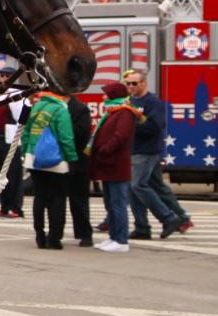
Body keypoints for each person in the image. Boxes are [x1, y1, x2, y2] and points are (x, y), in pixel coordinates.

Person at [123, 69, 186, 239]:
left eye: (134, 83)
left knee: (138, 185)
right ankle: (142, 227)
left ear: (144, 83)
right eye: (127, 83)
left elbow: (154, 126)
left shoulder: (152, 102)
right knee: (134, 189)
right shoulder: (130, 101)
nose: (130, 86)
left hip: (147, 150)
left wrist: (130, 126)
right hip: (133, 149)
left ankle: (169, 217)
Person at [88, 80, 139, 253]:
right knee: (110, 204)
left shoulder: (125, 112)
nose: (103, 97)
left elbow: (120, 137)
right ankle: (113, 236)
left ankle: (121, 240)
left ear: (114, 95)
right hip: (108, 164)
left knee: (118, 204)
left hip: (116, 164)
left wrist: (104, 149)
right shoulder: (113, 112)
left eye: (106, 94)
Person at [23, 89, 76, 249]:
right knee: (58, 197)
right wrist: (72, 158)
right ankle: (54, 237)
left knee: (39, 197)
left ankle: (39, 236)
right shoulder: (60, 109)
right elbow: (66, 137)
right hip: (56, 159)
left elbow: (26, 133)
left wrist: (25, 153)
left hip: (33, 157)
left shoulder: (36, 106)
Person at [66, 94, 95, 246]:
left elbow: (82, 132)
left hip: (78, 161)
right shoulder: (57, 107)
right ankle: (55, 233)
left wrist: (61, 129)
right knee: (56, 199)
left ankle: (85, 234)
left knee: (79, 200)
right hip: (59, 159)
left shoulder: (80, 109)